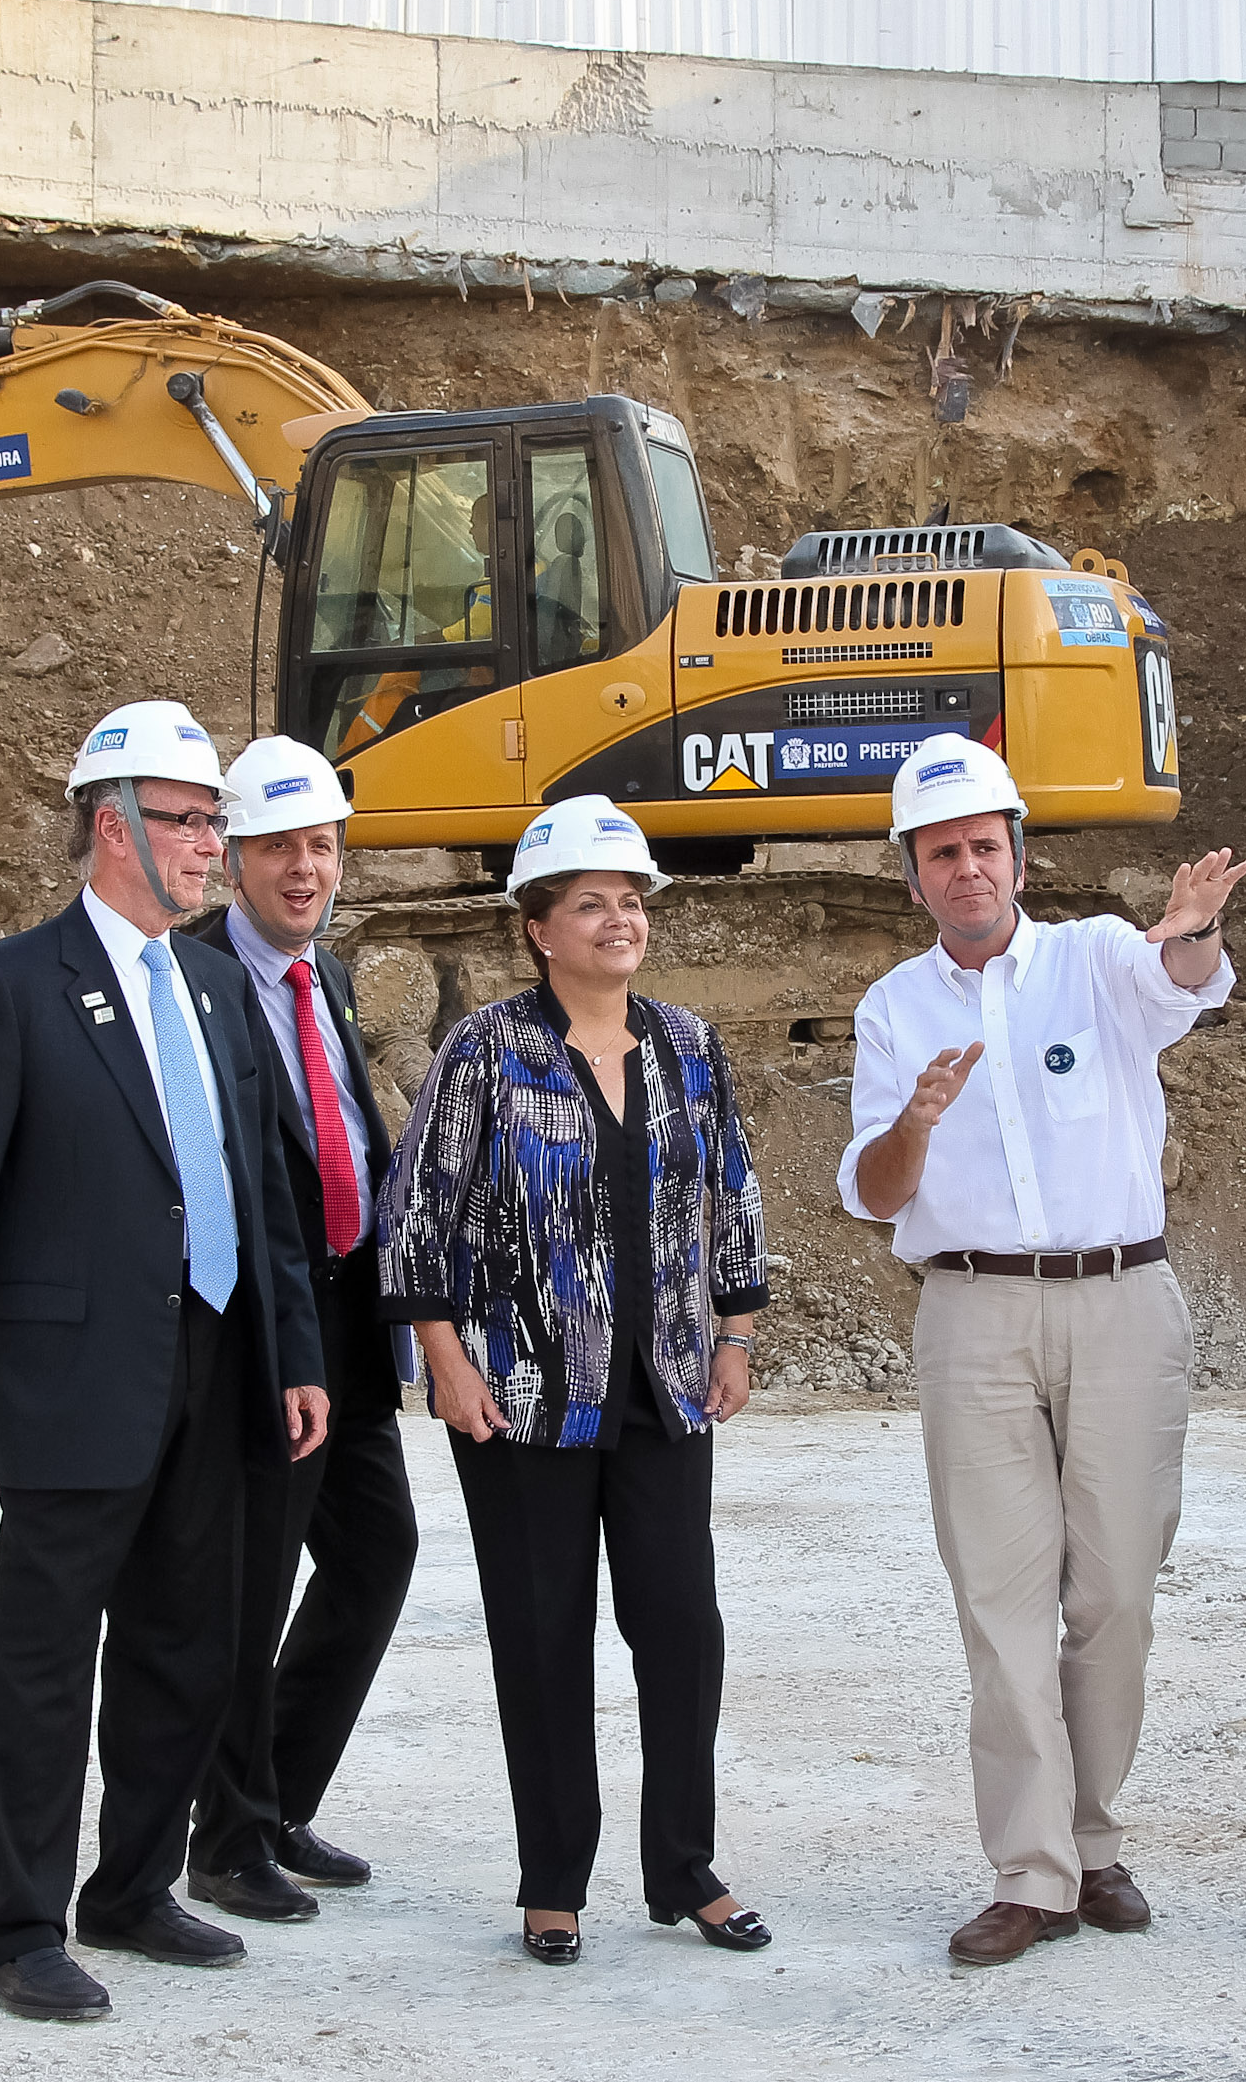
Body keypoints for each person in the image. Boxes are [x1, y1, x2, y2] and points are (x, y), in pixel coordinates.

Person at [0, 700, 326, 2022]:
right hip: (77, 1369)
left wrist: (290, 1350)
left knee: (187, 1642)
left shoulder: (222, 986)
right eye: (190, 821)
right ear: (113, 826)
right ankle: (16, 1928)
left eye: (212, 822)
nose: (211, 846)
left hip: (219, 1353)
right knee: (46, 1657)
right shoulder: (10, 988)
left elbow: (261, 1191)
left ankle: (132, 1885)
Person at [837, 733, 1246, 1969]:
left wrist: (1187, 930)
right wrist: (911, 1125)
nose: (966, 868)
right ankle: (1032, 1868)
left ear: (1018, 856)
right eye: (940, 853)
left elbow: (1183, 984)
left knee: (1115, 1592)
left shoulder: (1096, 960)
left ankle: (1093, 1835)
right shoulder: (891, 1009)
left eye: (983, 846)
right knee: (1001, 1600)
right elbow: (870, 1192)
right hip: (970, 1313)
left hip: (1120, 1297)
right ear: (911, 875)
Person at [377, 794, 775, 1965]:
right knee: (541, 1640)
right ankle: (551, 1882)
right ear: (537, 929)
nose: (619, 918)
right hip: (520, 1400)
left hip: (663, 1394)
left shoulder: (687, 1046)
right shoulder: (486, 1050)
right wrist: (443, 1363)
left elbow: (731, 1196)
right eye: (591, 902)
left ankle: (684, 1870)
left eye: (631, 899)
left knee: (680, 1632)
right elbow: (416, 1216)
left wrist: (734, 1336)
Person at [179, 734, 421, 1923]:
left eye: (320, 846)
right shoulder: (189, 978)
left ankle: (271, 1804)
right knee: (252, 1583)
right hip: (263, 1332)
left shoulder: (321, 978)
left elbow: (344, 1144)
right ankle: (220, 1842)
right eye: (278, 846)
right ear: (233, 855)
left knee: (377, 1552)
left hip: (345, 1314)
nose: (303, 868)